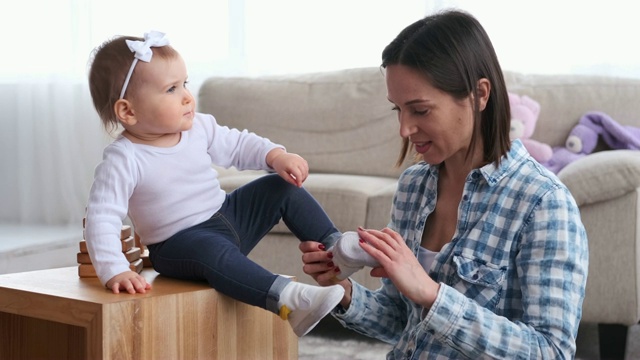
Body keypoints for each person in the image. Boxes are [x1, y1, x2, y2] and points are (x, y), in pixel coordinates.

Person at [299, 10, 589, 358]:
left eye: (420, 110)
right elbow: (400, 321)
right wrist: (343, 290)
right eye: (398, 110)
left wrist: (432, 294)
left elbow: (551, 351)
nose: (404, 129)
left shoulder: (543, 203)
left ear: (479, 95)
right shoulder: (414, 186)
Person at [84, 31, 345, 337]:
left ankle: (337, 249)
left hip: (227, 215)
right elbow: (102, 216)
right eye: (170, 89)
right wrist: (114, 268)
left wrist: (275, 156)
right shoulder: (124, 158)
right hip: (179, 244)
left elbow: (237, 145)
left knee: (280, 186)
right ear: (128, 111)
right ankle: (289, 301)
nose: (186, 96)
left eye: (185, 84)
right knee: (213, 253)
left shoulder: (199, 126)